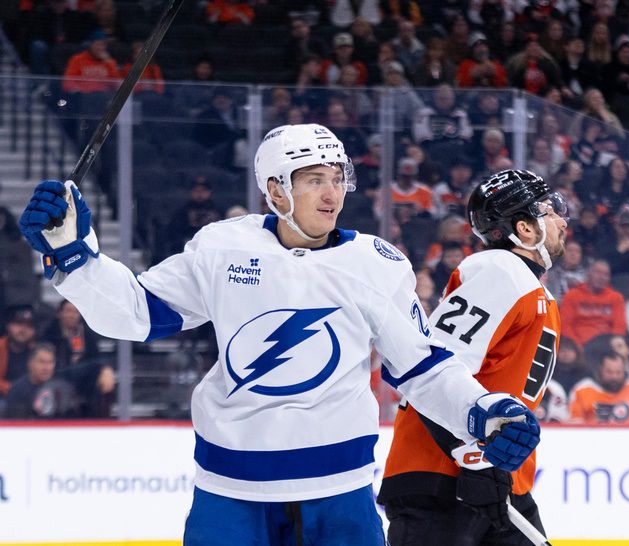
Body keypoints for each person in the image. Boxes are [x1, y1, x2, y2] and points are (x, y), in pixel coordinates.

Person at [17, 124, 541, 545]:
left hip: (339, 492)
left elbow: (423, 369)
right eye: (313, 180)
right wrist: (75, 257)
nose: (332, 193)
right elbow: (136, 312)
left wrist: (483, 410)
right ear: (275, 190)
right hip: (229, 492)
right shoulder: (223, 249)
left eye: (337, 178)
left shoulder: (377, 264)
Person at [380, 169, 567, 545]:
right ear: (525, 229)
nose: (562, 221)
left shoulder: (532, 290)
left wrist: (489, 468)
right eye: (550, 211)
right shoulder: (501, 271)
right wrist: (473, 460)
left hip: (496, 479)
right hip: (444, 480)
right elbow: (427, 369)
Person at [569, 350, 629, 424]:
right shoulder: (581, 390)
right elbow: (574, 425)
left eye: (618, 372)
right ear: (600, 370)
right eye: (609, 372)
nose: (614, 377)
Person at [4, 343, 78, 419]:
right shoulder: (18, 390)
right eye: (41, 362)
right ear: (30, 363)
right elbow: (16, 422)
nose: (46, 368)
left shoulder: (63, 389)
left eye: (50, 362)